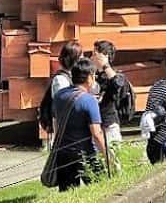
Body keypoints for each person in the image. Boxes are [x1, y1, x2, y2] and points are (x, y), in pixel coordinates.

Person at [50, 58, 105, 192]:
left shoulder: (59, 96)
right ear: (90, 77)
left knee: (67, 194)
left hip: (63, 152)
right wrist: (106, 153)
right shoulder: (89, 100)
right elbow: (96, 133)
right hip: (85, 153)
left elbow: (56, 121)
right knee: (100, 189)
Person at [91, 40, 129, 167]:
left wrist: (105, 65)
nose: (93, 56)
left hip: (109, 123)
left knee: (114, 160)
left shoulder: (115, 74)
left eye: (95, 53)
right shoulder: (91, 74)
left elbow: (118, 84)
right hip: (93, 125)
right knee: (97, 162)